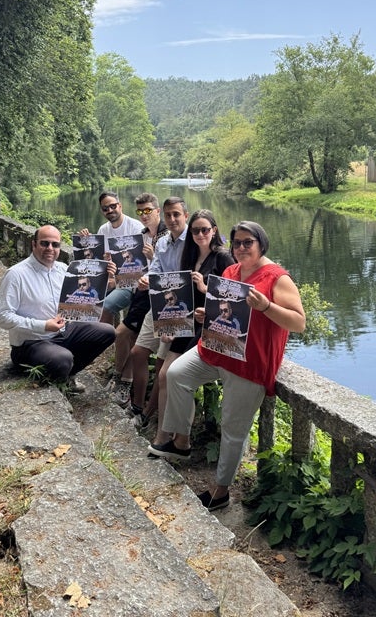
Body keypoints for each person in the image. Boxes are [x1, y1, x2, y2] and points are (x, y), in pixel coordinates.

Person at [148, 221, 305, 512]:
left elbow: (298, 322)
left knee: (233, 428)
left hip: (250, 362)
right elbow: (223, 311)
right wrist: (204, 315)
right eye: (237, 243)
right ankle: (180, 442)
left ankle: (220, 490)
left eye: (248, 242)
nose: (241, 248)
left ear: (261, 243)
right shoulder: (231, 271)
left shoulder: (277, 278)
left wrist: (266, 307)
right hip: (217, 349)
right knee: (176, 374)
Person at [150, 209, 234, 451]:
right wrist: (170, 324)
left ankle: (180, 439)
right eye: (195, 230)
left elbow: (234, 300)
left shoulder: (223, 258)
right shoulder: (189, 256)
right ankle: (163, 434)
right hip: (187, 322)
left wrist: (206, 289)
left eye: (205, 229)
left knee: (176, 375)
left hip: (208, 327)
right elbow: (180, 296)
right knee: (164, 374)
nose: (200, 234)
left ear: (214, 230)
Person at [0, 225, 115, 392]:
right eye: (45, 243)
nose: (50, 248)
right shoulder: (16, 274)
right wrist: (43, 325)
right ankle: (58, 377)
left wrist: (107, 281)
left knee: (107, 332)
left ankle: (67, 374)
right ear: (34, 244)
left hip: (63, 332)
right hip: (31, 342)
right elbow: (2, 317)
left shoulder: (64, 269)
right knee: (62, 359)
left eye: (55, 244)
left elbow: (85, 298)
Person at [121, 197, 189, 426]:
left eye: (176, 214)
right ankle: (136, 405)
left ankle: (147, 415)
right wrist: (146, 279)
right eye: (168, 215)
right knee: (138, 352)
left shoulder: (193, 242)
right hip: (159, 303)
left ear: (185, 216)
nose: (172, 219)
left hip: (180, 309)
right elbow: (156, 269)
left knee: (162, 366)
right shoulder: (162, 243)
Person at [108, 193, 167, 406]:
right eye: (140, 211)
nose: (144, 215)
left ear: (157, 211)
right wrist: (115, 269)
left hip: (158, 296)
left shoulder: (167, 236)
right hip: (141, 291)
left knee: (123, 335)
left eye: (148, 210)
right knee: (131, 339)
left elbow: (171, 269)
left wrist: (152, 257)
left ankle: (123, 382)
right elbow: (135, 267)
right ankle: (123, 381)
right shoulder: (142, 234)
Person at [80, 191, 144, 325]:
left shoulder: (136, 227)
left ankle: (105, 335)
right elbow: (99, 262)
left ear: (120, 206)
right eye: (105, 208)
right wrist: (88, 241)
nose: (110, 210)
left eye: (113, 206)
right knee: (84, 302)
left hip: (131, 284)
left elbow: (141, 267)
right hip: (109, 280)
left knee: (105, 307)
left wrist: (115, 281)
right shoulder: (103, 230)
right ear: (102, 211)